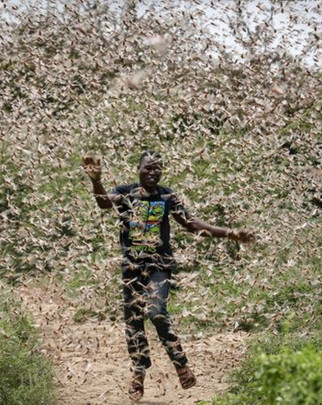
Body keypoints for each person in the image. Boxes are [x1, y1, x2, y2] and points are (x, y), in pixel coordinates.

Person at [82, 151, 254, 402]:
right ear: (138, 169)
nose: (152, 172)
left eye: (157, 169)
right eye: (147, 168)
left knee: (156, 311)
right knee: (134, 322)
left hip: (159, 266)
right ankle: (139, 373)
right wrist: (96, 180)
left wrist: (230, 233)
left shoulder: (167, 196)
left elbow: (193, 225)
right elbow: (103, 202)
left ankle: (181, 364)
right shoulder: (126, 192)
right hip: (132, 268)